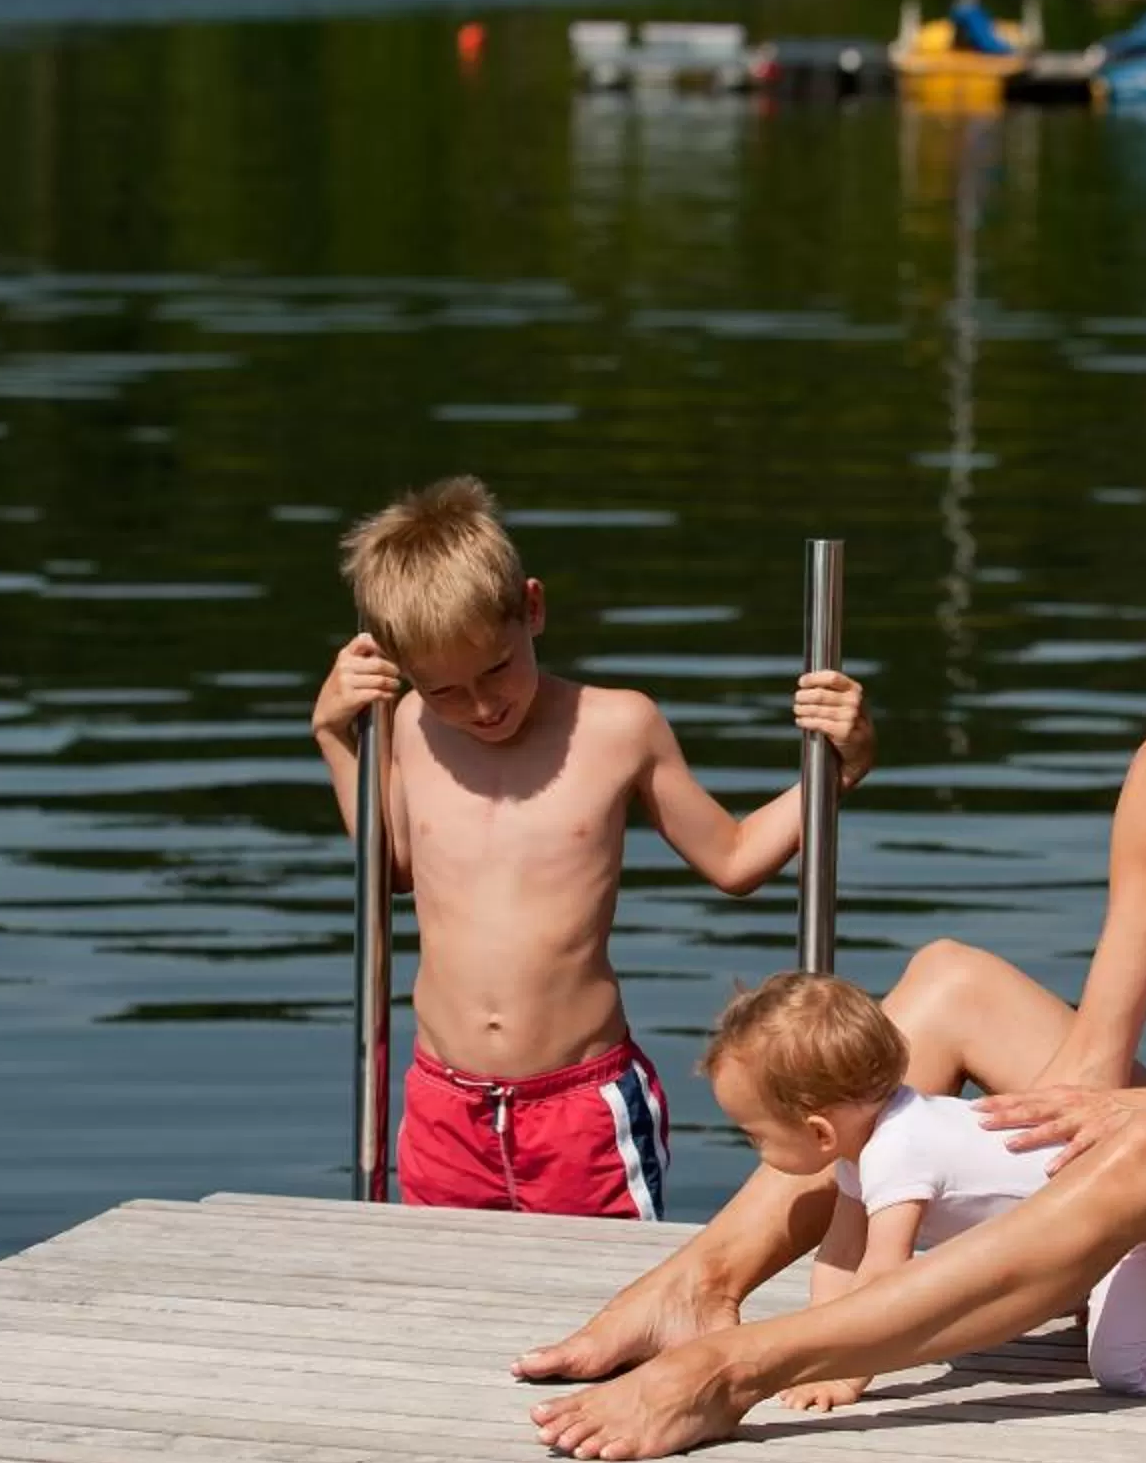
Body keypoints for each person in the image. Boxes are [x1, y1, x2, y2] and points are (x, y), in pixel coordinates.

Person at [520, 439, 1146, 1457]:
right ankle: (700, 1286)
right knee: (950, 983)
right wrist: (992, 1175)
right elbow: (1093, 1063)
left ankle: (740, 1366)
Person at [310, 476, 873, 1218]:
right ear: (403, 669)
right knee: (435, 1296)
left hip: (580, 1104)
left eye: (496, 670)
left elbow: (733, 860)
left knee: (604, 1301)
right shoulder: (406, 727)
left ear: (532, 608)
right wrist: (334, 736)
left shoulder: (617, 727)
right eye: (446, 690)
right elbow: (390, 872)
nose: (481, 707)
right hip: (445, 1100)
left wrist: (843, 767)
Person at [701, 971, 1146, 1408]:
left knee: (1126, 1372)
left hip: (1130, 1222)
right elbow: (842, 1255)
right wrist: (813, 1350)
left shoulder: (898, 1150)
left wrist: (847, 1375)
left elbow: (882, 1275)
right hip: (1070, 1232)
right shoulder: (864, 1144)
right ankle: (1106, 1300)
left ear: (819, 1131)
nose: (756, 1148)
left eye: (755, 1136)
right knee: (1089, 1313)